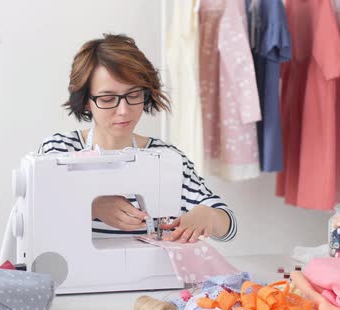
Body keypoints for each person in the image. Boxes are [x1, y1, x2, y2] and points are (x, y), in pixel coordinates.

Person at [40, 34, 236, 243]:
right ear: (86, 101)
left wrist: (208, 216)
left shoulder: (166, 157)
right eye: (108, 99)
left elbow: (227, 224)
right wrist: (93, 207)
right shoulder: (59, 151)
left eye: (133, 95)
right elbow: (41, 214)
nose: (124, 111)